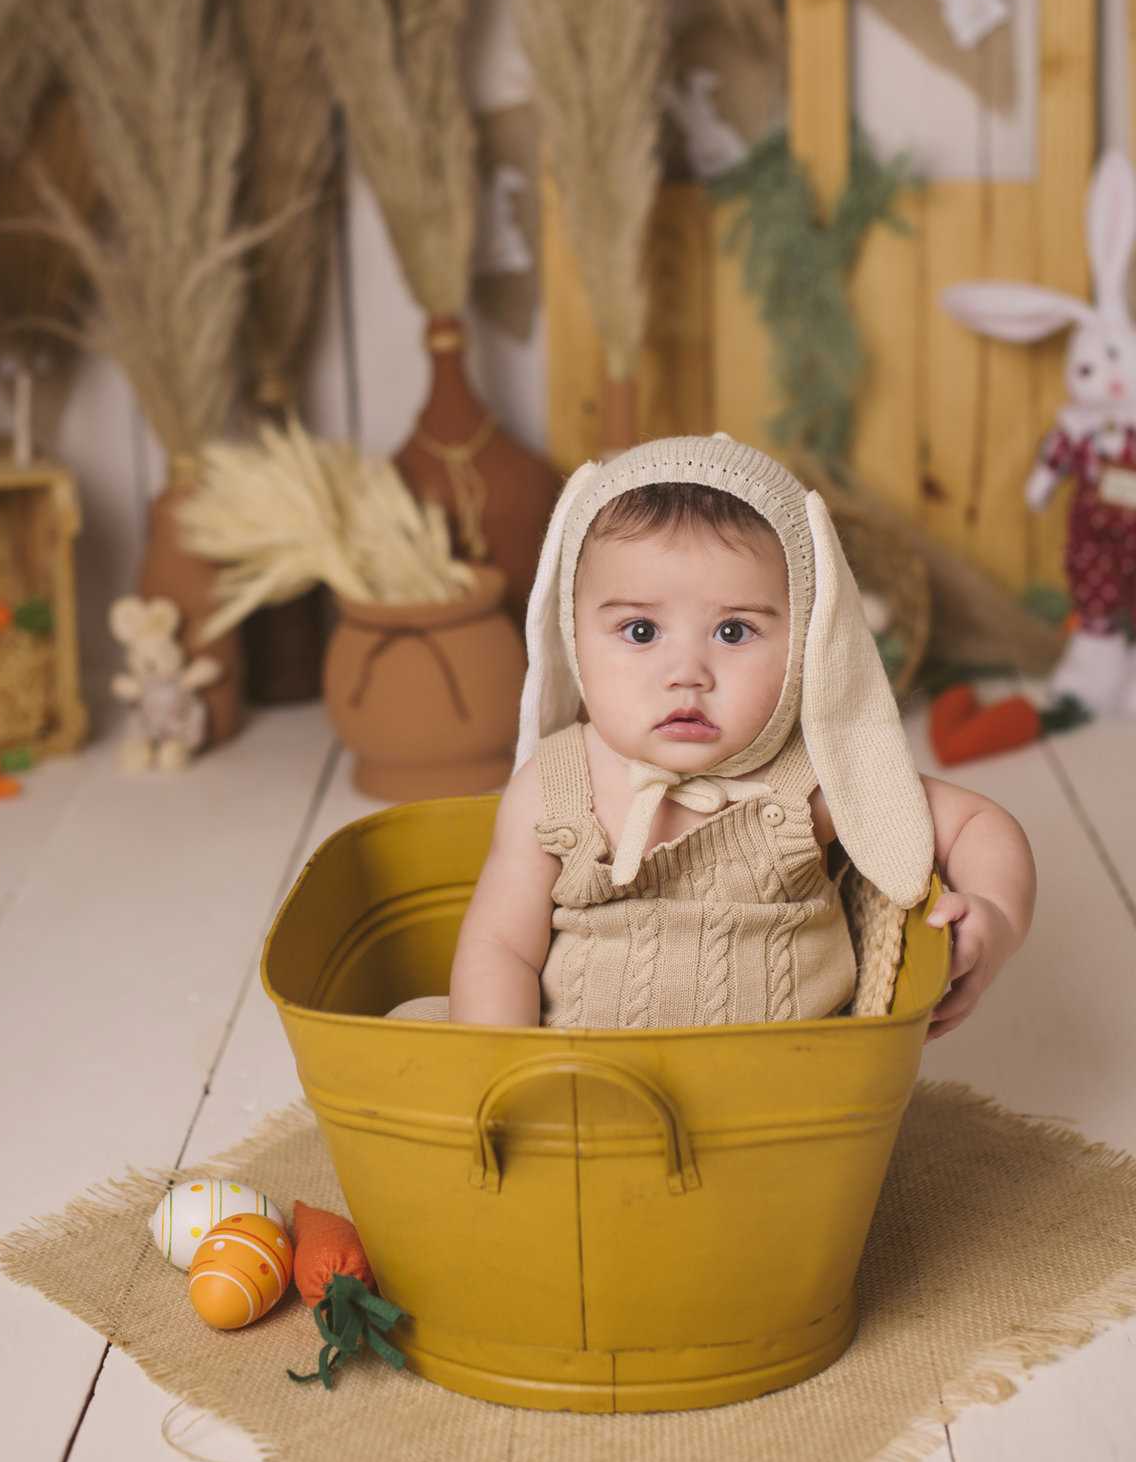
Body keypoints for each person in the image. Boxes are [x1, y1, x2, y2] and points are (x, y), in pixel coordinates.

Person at [443, 436, 1035, 1037]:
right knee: (418, 1033)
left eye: (733, 631)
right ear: (573, 638)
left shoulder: (813, 779)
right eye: (641, 630)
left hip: (781, 1095)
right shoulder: (555, 787)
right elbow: (500, 947)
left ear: (805, 641)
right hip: (581, 1084)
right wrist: (507, 1067)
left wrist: (996, 917)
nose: (686, 674)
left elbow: (976, 824)